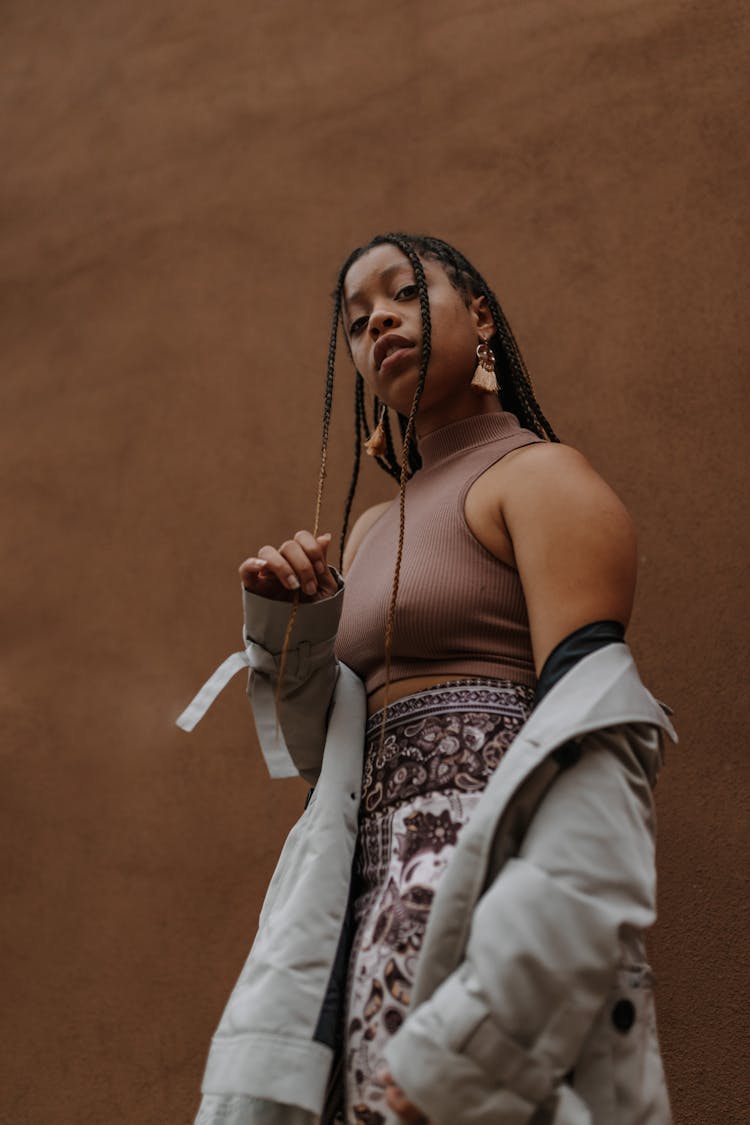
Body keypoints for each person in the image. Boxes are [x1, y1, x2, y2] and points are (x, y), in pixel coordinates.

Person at [178, 233, 677, 1125]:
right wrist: (294, 627)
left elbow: (600, 751)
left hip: (491, 918)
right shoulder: (368, 532)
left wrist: (497, 1009)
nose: (376, 321)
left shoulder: (543, 480)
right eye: (357, 320)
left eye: (401, 293)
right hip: (356, 914)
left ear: (479, 316)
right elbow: (316, 759)